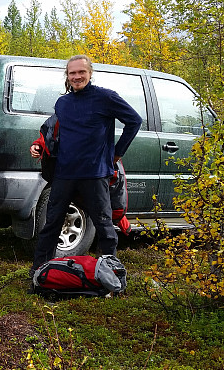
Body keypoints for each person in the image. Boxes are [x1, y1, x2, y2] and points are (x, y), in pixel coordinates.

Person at [29, 55, 142, 274]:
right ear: (67, 76)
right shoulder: (63, 103)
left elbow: (134, 121)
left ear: (90, 73)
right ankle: (39, 273)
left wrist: (117, 153)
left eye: (81, 72)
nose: (77, 76)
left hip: (95, 174)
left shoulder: (106, 97)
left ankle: (111, 277)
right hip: (64, 174)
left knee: (105, 227)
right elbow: (52, 130)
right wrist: (39, 146)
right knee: (51, 226)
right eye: (73, 73)